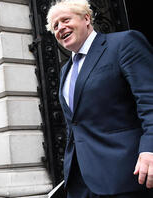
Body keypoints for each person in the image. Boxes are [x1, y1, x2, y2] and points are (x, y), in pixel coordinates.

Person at [45, 0, 153, 197]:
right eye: (55, 26)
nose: (60, 28)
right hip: (80, 182)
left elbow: (149, 100)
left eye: (65, 20)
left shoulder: (123, 43)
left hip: (124, 174)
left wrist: (150, 149)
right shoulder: (65, 71)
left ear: (86, 18)